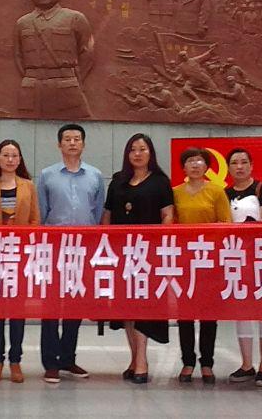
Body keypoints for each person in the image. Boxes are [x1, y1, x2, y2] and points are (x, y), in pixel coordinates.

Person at [101, 133, 174, 385]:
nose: (137, 154)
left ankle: (142, 360)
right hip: (121, 254)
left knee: (143, 307)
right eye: (133, 149)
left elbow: (167, 215)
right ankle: (134, 359)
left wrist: (159, 243)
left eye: (142, 149)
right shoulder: (118, 181)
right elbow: (107, 214)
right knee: (127, 309)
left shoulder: (160, 182)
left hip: (147, 256)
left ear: (150, 153)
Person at [37, 123, 105, 384]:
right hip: (53, 247)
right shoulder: (47, 175)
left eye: (77, 139)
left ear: (83, 144)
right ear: (59, 144)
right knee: (51, 306)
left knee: (75, 304)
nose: (72, 143)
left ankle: (67, 358)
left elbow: (98, 213)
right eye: (67, 139)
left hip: (83, 248)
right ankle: (50, 362)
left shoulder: (95, 175)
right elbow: (42, 212)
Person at [0, 140, 40, 383]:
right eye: (6, 155)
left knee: (17, 311)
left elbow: (35, 221)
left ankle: (15, 360)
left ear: (20, 159)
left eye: (15, 155)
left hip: (20, 257)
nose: (10, 159)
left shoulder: (28, 186)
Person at [172, 147, 232, 385]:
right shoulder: (175, 192)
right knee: (185, 314)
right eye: (190, 161)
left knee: (209, 315)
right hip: (184, 260)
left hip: (209, 259)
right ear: (183, 167)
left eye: (199, 161)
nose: (195, 165)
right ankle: (188, 361)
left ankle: (207, 363)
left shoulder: (216, 191)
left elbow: (225, 223)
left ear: (207, 166)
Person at [224, 148, 262, 387]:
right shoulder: (224, 193)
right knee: (242, 310)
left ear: (251, 165)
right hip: (236, 256)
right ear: (228, 168)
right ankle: (247, 364)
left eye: (244, 162)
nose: (239, 167)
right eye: (234, 163)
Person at [13, 0, 94, 117]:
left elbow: (87, 54)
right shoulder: (22, 23)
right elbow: (18, 57)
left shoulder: (75, 18)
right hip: (32, 87)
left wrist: (74, 80)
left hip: (66, 85)